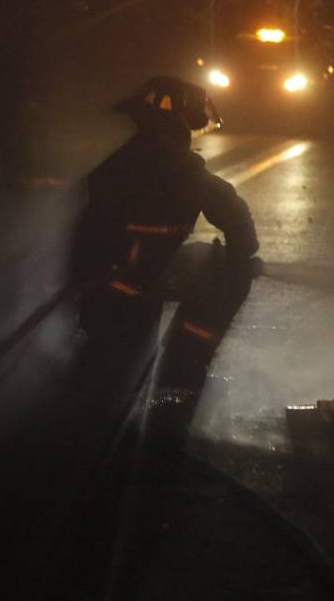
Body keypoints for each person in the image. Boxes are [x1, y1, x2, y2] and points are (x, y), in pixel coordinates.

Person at [72, 76, 259, 442]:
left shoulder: (121, 163)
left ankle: (117, 400)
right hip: (126, 284)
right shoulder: (174, 169)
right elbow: (234, 216)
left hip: (121, 280)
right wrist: (242, 258)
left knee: (208, 262)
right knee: (224, 272)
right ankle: (170, 398)